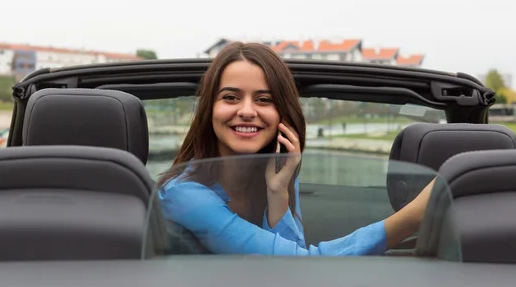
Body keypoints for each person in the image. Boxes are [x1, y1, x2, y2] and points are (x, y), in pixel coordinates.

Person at [157, 42, 435, 256]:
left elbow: (290, 273)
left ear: (282, 115)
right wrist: (413, 216)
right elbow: (299, 264)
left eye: (264, 99)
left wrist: (278, 192)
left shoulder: (275, 174)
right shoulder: (182, 194)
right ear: (209, 109)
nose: (246, 111)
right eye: (230, 97)